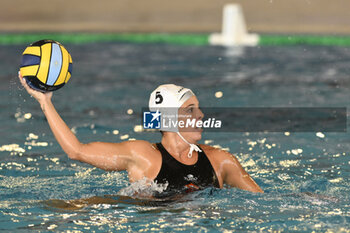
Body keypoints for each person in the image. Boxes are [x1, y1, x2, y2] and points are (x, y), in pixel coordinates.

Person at [18, 72, 263, 196]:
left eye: (198, 109)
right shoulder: (141, 155)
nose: (200, 115)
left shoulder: (222, 161)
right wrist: (45, 102)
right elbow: (76, 151)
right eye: (190, 110)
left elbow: (263, 202)